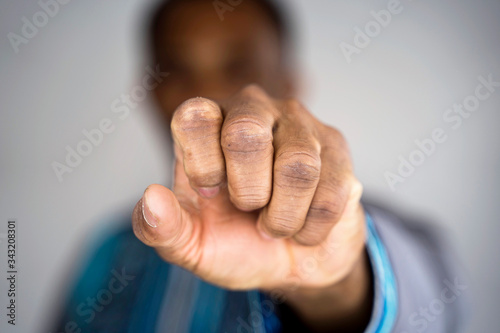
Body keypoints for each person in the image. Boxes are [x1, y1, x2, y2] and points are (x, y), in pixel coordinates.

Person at [52, 0, 468, 332]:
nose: (205, 94)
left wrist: (335, 281)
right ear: (150, 93)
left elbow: (431, 308)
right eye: (177, 71)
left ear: (289, 85)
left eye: (237, 68)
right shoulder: (105, 254)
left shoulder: (377, 237)